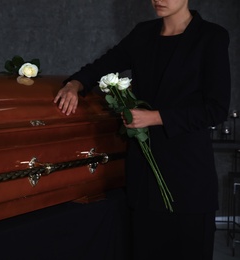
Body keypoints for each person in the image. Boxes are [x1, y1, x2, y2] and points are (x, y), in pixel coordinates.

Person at [53, 0, 231, 259]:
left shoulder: (212, 37)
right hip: (144, 179)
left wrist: (155, 117)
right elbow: (102, 65)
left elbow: (216, 109)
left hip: (188, 180)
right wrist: (75, 84)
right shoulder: (142, 33)